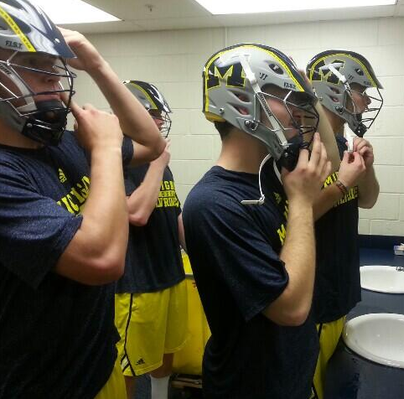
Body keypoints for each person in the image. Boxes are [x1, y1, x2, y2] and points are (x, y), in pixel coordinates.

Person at [0, 1, 165, 398]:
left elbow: (150, 142)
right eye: (37, 65)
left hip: (94, 365)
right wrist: (106, 150)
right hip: (44, 386)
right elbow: (102, 259)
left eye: (56, 67)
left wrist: (97, 65)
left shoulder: (61, 146)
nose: (56, 80)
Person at [183, 43, 331, 399]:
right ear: (240, 104)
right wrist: (300, 201)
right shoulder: (213, 204)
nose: (301, 110)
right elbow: (291, 308)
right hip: (249, 386)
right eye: (284, 97)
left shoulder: (269, 178)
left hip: (288, 376)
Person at [306, 50, 383, 398]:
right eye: (361, 92)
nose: (366, 103)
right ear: (334, 92)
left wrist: (367, 166)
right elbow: (299, 216)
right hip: (315, 295)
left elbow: (367, 199)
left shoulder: (342, 144)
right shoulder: (307, 148)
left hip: (339, 288)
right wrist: (341, 183)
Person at [115, 80, 188, 399]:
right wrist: (158, 164)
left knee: (165, 353)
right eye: (153, 114)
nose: (160, 122)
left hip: (170, 276)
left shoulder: (159, 164)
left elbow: (173, 214)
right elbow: (136, 214)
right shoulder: (117, 160)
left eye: (161, 115)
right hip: (136, 285)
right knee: (128, 367)